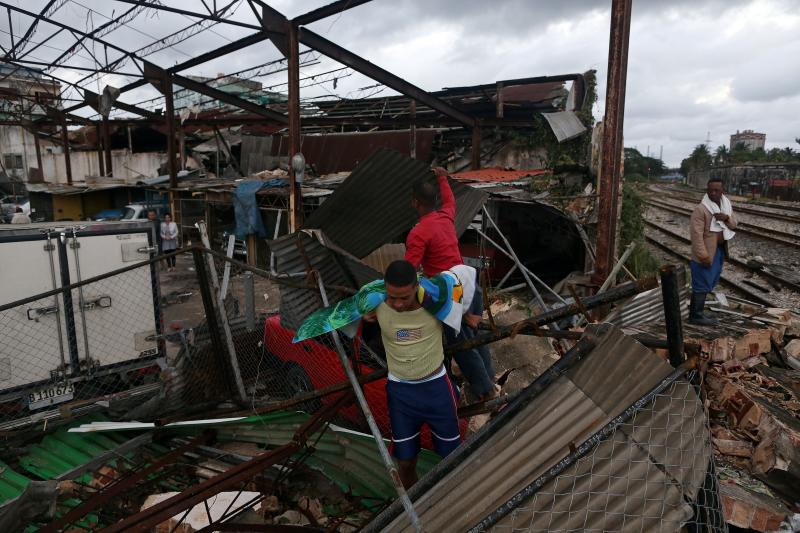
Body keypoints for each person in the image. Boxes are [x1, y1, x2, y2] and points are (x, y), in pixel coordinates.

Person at [363, 260, 462, 488]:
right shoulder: (375, 304)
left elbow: (465, 278)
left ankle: (455, 504)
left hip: (436, 389)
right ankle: (415, 504)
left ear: (416, 287)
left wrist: (473, 313)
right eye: (391, 297)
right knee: (405, 462)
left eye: (404, 298)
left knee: (453, 457)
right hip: (401, 393)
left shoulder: (436, 301)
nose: (397, 304)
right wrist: (365, 317)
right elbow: (352, 316)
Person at [405, 167, 496, 401]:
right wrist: (443, 178)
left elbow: (408, 270)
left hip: (452, 291)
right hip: (469, 282)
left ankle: (486, 392)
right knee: (474, 335)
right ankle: (490, 380)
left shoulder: (418, 233)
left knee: (463, 345)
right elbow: (450, 199)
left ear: (415, 203)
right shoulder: (446, 216)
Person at [689, 177, 737, 325]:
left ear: (723, 190)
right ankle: (696, 316)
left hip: (719, 251)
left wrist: (726, 218)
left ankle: (699, 313)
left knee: (711, 280)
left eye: (716, 190)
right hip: (706, 254)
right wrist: (703, 256)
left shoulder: (726, 205)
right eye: (710, 190)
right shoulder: (701, 209)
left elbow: (734, 225)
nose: (713, 193)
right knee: (701, 282)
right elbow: (696, 236)